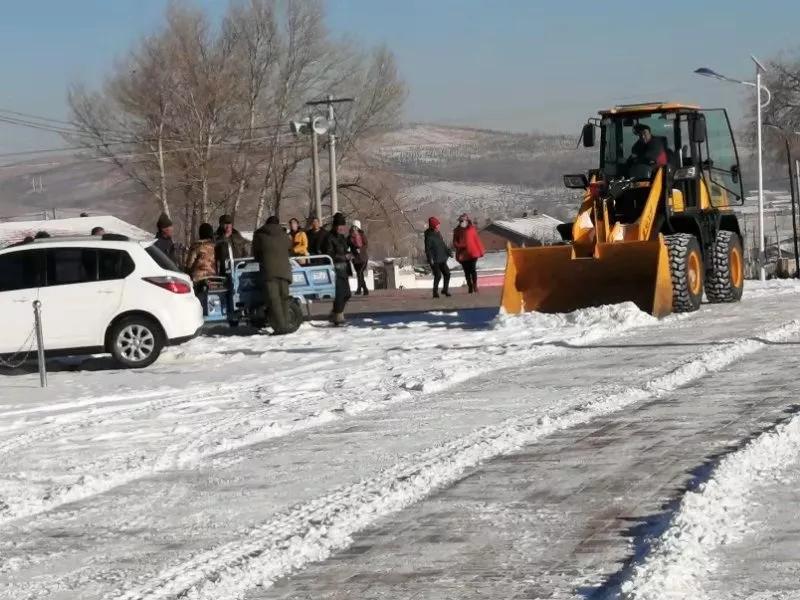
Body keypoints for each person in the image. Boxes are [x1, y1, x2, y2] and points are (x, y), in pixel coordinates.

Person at [252, 215, 293, 335]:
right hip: (285, 271)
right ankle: (286, 324)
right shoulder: (285, 235)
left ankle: (281, 327)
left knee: (274, 300)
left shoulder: (260, 235)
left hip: (269, 271)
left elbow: (256, 254)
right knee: (284, 299)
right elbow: (290, 248)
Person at [322, 212, 352, 326]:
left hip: (344, 268)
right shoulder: (329, 238)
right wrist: (343, 256)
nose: (341, 228)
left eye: (343, 226)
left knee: (347, 294)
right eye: (339, 226)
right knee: (340, 293)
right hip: (335, 269)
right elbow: (329, 254)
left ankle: (335, 312)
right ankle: (338, 316)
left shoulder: (342, 238)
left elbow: (344, 250)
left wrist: (349, 254)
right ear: (335, 226)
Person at [452, 213, 485, 294]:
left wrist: (481, 250)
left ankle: (475, 285)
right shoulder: (457, 230)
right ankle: (470, 286)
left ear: (466, 221)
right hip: (463, 254)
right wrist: (460, 245)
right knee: (467, 271)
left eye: (462, 221)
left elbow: (476, 240)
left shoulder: (471, 229)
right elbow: (455, 242)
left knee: (473, 270)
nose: (461, 222)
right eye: (460, 221)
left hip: (473, 253)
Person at [425, 216, 452, 298]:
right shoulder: (429, 236)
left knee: (447, 274)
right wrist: (430, 259)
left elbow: (443, 245)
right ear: (433, 226)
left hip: (442, 258)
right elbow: (427, 249)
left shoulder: (438, 233)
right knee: (438, 275)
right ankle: (435, 292)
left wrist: (448, 252)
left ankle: (445, 290)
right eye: (437, 225)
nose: (438, 226)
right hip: (435, 260)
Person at [349, 219, 369, 296]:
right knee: (359, 274)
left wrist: (360, 249)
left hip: (363, 258)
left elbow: (366, 245)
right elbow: (347, 245)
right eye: (353, 227)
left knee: (360, 273)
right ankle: (364, 289)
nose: (354, 229)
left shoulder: (362, 235)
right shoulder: (349, 237)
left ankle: (360, 289)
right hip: (355, 259)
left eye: (356, 227)